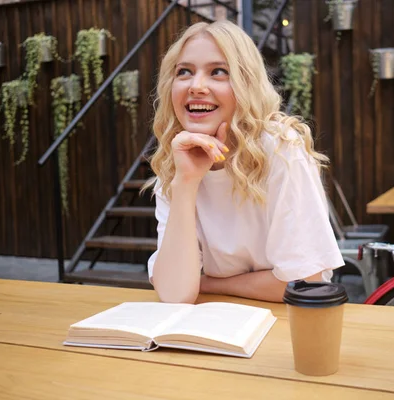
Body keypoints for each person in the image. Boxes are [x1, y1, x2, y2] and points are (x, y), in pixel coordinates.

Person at [145, 20, 344, 304]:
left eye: (218, 72)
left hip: (282, 326)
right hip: (210, 326)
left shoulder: (280, 148)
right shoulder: (175, 160)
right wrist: (186, 183)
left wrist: (207, 283)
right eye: (184, 72)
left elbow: (304, 283)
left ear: (246, 83)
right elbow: (175, 294)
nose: (196, 86)